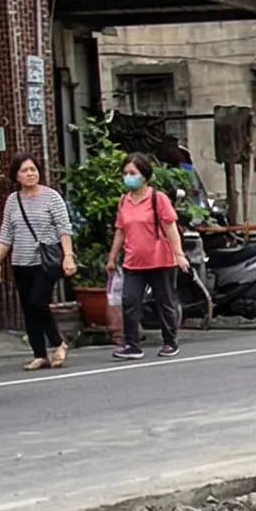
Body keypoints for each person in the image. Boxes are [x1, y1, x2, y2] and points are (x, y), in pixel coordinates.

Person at [0, 154, 74, 371]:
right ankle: (39, 354)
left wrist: (68, 256)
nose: (30, 174)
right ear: (16, 175)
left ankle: (58, 343)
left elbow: (64, 228)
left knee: (38, 302)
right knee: (28, 308)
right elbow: (6, 233)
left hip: (45, 262)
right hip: (21, 261)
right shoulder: (12, 201)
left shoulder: (51, 197)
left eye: (33, 169)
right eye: (25, 170)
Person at [106, 153, 189, 360]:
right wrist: (112, 257)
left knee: (164, 301)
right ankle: (132, 344)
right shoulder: (124, 201)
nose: (128, 177)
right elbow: (120, 230)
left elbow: (170, 228)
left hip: (160, 259)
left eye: (132, 173)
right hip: (133, 261)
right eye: (125, 173)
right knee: (129, 301)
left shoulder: (157, 199)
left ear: (144, 176)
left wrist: (179, 255)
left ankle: (170, 341)